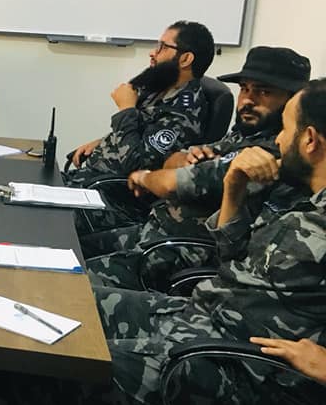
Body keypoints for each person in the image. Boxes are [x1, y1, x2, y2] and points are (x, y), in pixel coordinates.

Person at [0, 77, 326, 405]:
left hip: (247, 369)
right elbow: (230, 260)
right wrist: (233, 187)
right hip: (201, 314)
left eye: (285, 129)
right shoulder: (301, 199)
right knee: (56, 299)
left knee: (50, 366)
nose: (277, 140)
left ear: (309, 140)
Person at [87, 46, 310, 289]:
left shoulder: (268, 154)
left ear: (293, 101)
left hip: (180, 254)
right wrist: (183, 159)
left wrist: (145, 177)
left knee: (73, 281)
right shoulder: (244, 135)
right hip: (154, 232)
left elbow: (168, 183)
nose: (248, 100)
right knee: (75, 249)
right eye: (244, 89)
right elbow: (174, 160)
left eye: (264, 92)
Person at [66, 21, 215, 187]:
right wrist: (102, 142)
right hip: (91, 175)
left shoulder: (184, 113)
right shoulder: (162, 87)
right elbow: (139, 133)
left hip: (109, 190)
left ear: (185, 59)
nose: (152, 53)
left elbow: (137, 167)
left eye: (163, 47)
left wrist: (126, 110)